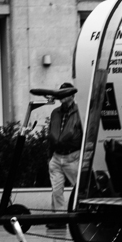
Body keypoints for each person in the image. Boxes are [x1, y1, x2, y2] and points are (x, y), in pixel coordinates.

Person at [47, 82, 82, 229]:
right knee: (56, 191)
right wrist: (49, 157)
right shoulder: (55, 112)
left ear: (72, 95)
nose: (61, 96)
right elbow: (50, 134)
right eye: (60, 93)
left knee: (80, 190)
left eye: (64, 93)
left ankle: (85, 217)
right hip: (56, 157)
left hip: (72, 157)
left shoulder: (80, 112)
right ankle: (60, 220)